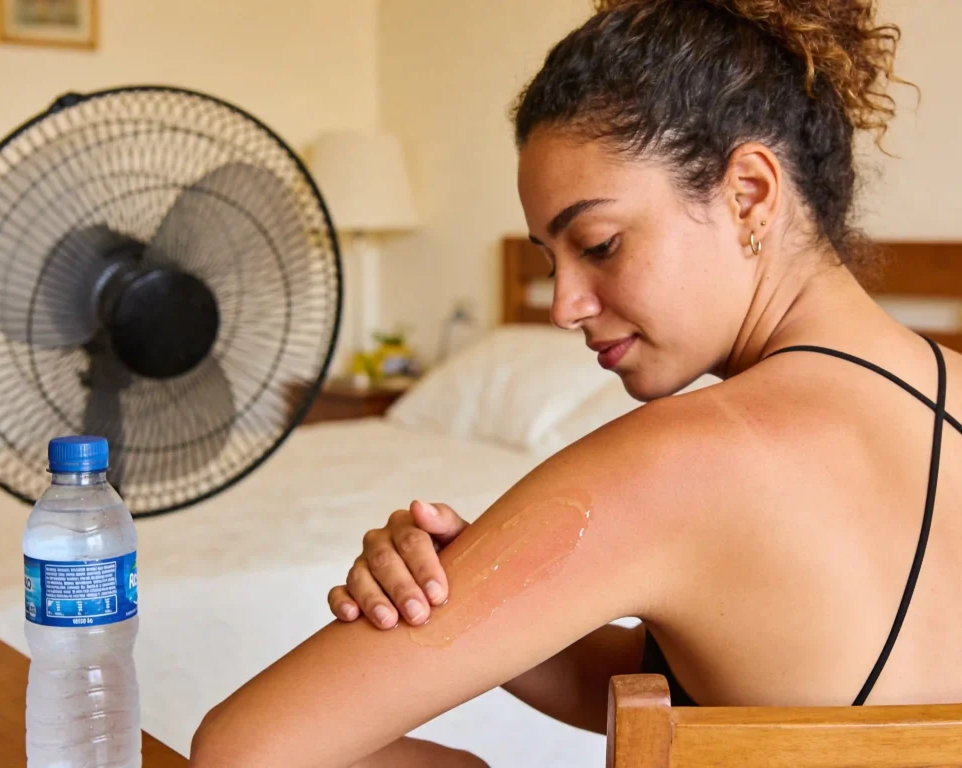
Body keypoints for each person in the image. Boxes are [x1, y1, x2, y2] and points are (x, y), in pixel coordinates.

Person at [190, 1, 961, 765]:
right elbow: (748, 689)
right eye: (548, 261)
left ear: (749, 195)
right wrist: (496, 603)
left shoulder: (679, 459)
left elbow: (244, 754)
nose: (564, 306)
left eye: (598, 244)